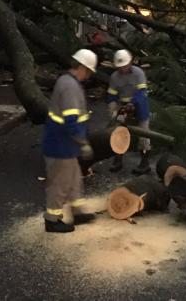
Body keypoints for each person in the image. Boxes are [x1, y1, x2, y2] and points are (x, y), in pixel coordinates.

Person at [42, 49, 98, 233]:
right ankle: (52, 219)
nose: (88, 76)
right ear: (81, 67)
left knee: (74, 179)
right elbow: (71, 121)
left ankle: (77, 211)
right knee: (60, 184)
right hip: (60, 144)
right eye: (88, 71)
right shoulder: (69, 86)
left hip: (66, 144)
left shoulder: (70, 82)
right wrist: (83, 143)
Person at [107, 49, 151, 174]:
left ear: (130, 62)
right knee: (119, 134)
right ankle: (118, 160)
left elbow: (141, 92)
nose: (123, 69)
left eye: (125, 66)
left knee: (144, 135)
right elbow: (111, 95)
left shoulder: (138, 73)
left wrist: (133, 104)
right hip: (123, 107)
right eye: (120, 67)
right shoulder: (115, 77)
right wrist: (113, 110)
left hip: (140, 106)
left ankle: (144, 163)